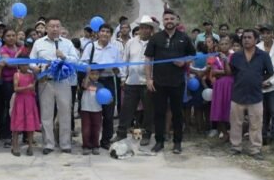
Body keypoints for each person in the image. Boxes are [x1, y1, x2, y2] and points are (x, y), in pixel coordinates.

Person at [145, 9, 196, 154]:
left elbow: (193, 55)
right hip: (159, 82)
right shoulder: (156, 38)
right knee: (159, 113)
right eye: (166, 19)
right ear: (163, 21)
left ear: (176, 20)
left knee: (177, 113)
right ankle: (159, 142)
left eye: (171, 19)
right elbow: (148, 59)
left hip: (177, 82)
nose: (169, 21)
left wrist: (184, 62)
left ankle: (177, 142)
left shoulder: (184, 38)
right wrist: (149, 79)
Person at [30, 17, 79, 154]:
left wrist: (64, 57)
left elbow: (76, 60)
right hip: (46, 81)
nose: (55, 29)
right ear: (46, 28)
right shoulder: (39, 43)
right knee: (46, 114)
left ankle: (65, 144)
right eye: (52, 26)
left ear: (61, 28)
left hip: (63, 82)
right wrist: (35, 68)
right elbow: (31, 60)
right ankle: (48, 144)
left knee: (65, 113)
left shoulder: (67, 43)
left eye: (58, 26)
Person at [228, 29, 274, 159]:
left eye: (249, 37)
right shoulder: (236, 56)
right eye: (244, 38)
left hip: (255, 95)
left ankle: (255, 149)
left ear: (256, 40)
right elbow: (232, 71)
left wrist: (258, 79)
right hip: (238, 94)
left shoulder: (263, 55)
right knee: (236, 123)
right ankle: (236, 147)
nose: (246, 40)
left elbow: (270, 72)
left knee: (256, 123)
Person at [80, 23, 122, 149]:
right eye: (102, 31)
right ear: (98, 33)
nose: (105, 34)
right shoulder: (90, 47)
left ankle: (106, 140)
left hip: (108, 82)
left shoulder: (115, 49)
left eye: (108, 32)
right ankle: (91, 142)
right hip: (92, 82)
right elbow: (82, 62)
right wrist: (90, 69)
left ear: (111, 34)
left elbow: (120, 69)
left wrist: (116, 69)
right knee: (93, 112)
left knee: (108, 113)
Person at [116, 15, 156, 144]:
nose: (144, 30)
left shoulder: (155, 43)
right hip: (131, 82)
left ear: (151, 29)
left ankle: (146, 134)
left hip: (147, 82)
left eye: (147, 28)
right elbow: (124, 61)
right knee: (127, 109)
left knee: (148, 110)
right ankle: (121, 133)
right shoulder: (131, 42)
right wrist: (123, 77)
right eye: (142, 27)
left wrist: (153, 79)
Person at [10, 56, 39, 156]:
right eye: (23, 65)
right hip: (20, 101)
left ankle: (30, 146)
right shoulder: (16, 75)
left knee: (30, 125)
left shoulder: (31, 75)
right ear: (19, 65)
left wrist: (33, 89)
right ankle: (15, 146)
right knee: (17, 124)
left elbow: (33, 89)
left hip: (30, 101)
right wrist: (27, 87)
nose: (25, 67)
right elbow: (15, 88)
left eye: (26, 64)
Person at [209, 35, 233, 141]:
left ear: (230, 45)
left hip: (231, 86)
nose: (224, 46)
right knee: (219, 109)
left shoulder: (234, 56)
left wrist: (223, 72)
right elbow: (213, 72)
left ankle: (233, 133)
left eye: (226, 44)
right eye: (221, 44)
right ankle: (224, 133)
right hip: (219, 87)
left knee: (231, 110)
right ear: (218, 46)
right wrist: (226, 72)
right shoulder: (216, 58)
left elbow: (232, 71)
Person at [0, 29, 19, 147]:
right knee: (9, 109)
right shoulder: (3, 49)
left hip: (20, 81)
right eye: (8, 36)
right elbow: (10, 63)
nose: (11, 37)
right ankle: (6, 135)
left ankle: (17, 133)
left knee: (18, 108)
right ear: (4, 38)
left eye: (13, 35)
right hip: (8, 83)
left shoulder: (19, 47)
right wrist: (21, 59)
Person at [80, 69, 104, 155]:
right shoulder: (85, 81)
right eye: (92, 74)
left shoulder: (101, 85)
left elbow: (105, 97)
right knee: (86, 128)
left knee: (96, 128)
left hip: (97, 109)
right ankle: (86, 145)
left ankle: (95, 145)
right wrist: (87, 74)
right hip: (86, 109)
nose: (94, 76)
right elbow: (85, 86)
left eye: (96, 74)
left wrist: (109, 99)